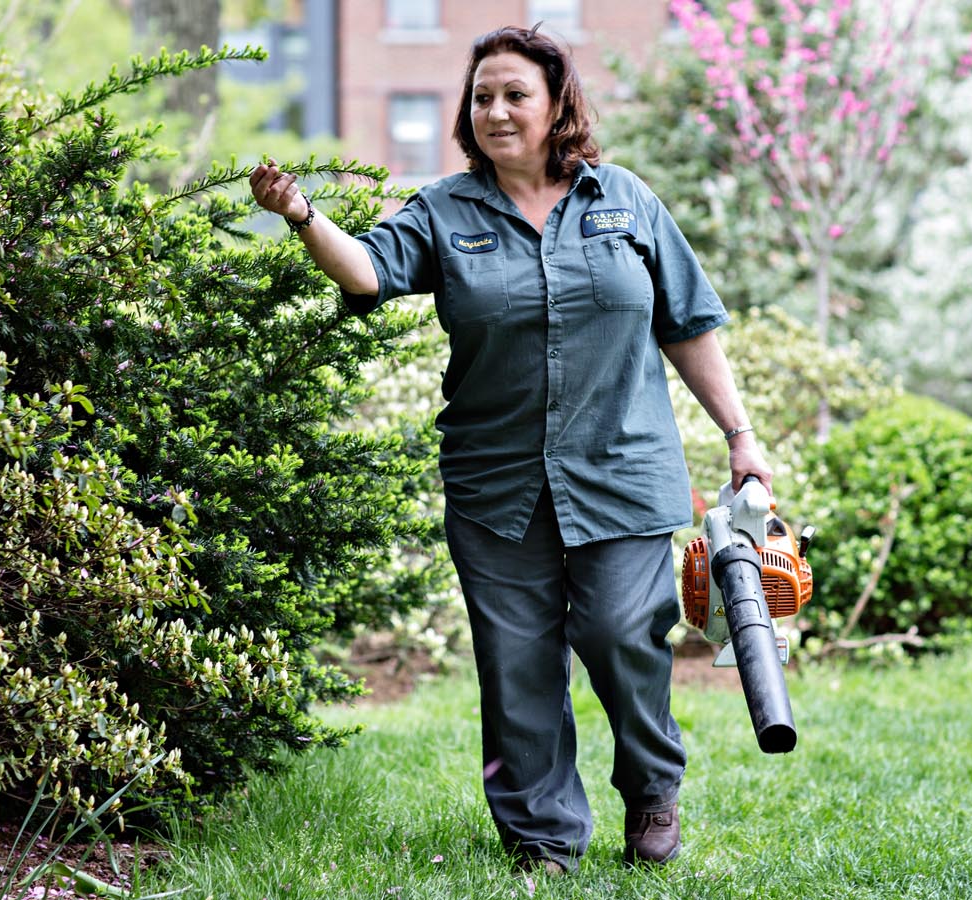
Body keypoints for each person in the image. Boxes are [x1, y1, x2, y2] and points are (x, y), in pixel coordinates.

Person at [250, 24, 771, 875]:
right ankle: (541, 836)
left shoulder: (624, 200)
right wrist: (303, 215)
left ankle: (651, 788)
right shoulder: (445, 210)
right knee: (517, 661)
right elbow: (368, 272)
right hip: (497, 482)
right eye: (482, 97)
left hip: (623, 470)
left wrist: (740, 436)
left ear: (557, 103)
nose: (495, 111)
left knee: (621, 633)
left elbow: (688, 323)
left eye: (515, 94)